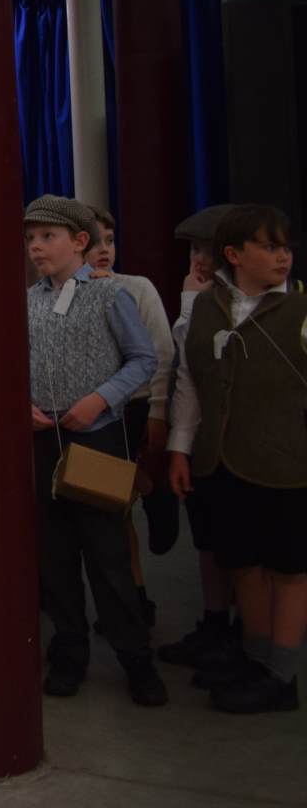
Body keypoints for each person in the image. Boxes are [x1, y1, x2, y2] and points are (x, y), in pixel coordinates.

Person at [22, 195, 166, 706]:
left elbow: (142, 358)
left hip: (97, 436)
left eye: (48, 237)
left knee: (108, 554)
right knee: (55, 553)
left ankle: (135, 656)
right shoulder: (29, 300)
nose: (36, 247)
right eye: (31, 239)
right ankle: (69, 648)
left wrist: (100, 399)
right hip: (44, 439)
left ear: (80, 241)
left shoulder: (109, 295)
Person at [167, 204, 306, 713]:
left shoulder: (299, 309)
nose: (282, 256)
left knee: (288, 568)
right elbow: (190, 383)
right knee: (243, 564)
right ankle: (254, 656)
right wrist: (180, 448)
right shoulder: (206, 307)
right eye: (268, 247)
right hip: (224, 460)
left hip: (287, 465)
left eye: (285, 247)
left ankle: (282, 673)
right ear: (234, 254)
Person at [85, 204, 178, 625]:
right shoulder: (64, 293)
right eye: (94, 242)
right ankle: (122, 602)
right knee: (106, 514)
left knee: (117, 511)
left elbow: (160, 351)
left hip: (135, 408)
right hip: (90, 413)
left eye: (110, 240)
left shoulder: (136, 288)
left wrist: (158, 411)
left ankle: (134, 601)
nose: (104, 249)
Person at [160, 204, 242, 672]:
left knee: (243, 547)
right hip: (202, 442)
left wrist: (193, 306)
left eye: (208, 250)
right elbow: (185, 375)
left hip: (246, 446)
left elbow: (211, 363)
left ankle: (244, 638)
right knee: (207, 538)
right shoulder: (197, 299)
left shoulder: (258, 304)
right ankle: (214, 623)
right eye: (194, 250)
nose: (199, 260)